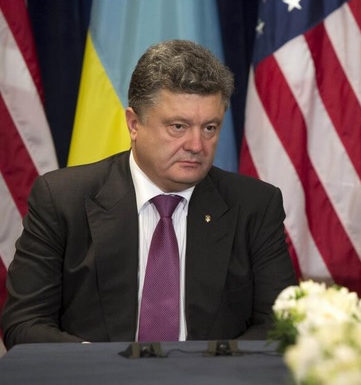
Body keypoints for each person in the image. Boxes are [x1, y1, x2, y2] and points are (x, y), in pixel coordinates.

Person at [1, 39, 297, 349]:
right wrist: (99, 365)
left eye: (210, 128)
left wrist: (212, 368)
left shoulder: (255, 206)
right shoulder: (62, 199)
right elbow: (25, 323)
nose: (197, 145)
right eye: (178, 127)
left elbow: (280, 325)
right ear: (134, 124)